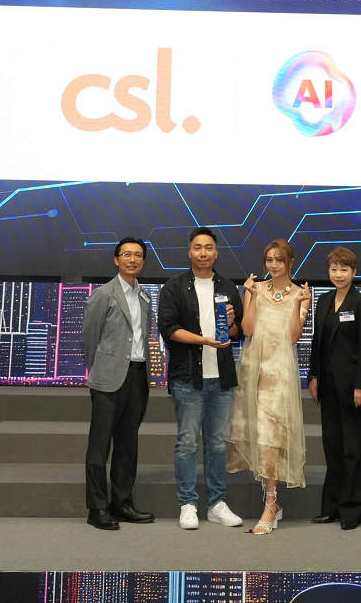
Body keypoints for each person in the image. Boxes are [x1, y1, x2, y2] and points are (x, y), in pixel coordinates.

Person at [158, 226, 246, 530]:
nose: (203, 252)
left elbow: (238, 332)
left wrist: (231, 324)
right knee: (187, 443)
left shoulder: (228, 287)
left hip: (221, 379)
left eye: (209, 247)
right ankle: (188, 504)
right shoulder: (174, 287)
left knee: (218, 444)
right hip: (188, 377)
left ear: (216, 253)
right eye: (198, 247)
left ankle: (217, 504)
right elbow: (169, 329)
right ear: (190, 252)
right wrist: (204, 340)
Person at [227, 238, 311, 534]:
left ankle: (271, 502)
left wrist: (298, 305)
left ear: (290, 263)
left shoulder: (302, 294)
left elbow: (293, 336)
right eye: (269, 260)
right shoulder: (256, 288)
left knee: (272, 434)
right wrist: (250, 296)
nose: (273, 265)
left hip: (280, 371)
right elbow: (247, 329)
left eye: (279, 260)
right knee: (260, 433)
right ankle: (272, 501)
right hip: (254, 368)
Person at [81, 236, 156, 530]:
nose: (132, 259)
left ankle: (121, 503)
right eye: (126, 254)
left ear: (143, 261)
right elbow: (89, 339)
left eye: (138, 255)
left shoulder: (145, 296)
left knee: (128, 444)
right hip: (108, 378)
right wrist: (100, 370)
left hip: (137, 375)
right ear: (116, 260)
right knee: (99, 446)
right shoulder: (103, 294)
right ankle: (97, 508)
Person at [307, 245, 361, 530]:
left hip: (353, 388)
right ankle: (331, 508)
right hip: (327, 386)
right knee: (332, 447)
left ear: (354, 272)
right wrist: (313, 376)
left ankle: (352, 510)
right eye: (334, 269)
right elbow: (317, 342)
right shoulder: (323, 300)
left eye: (344, 269)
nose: (338, 274)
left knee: (351, 449)